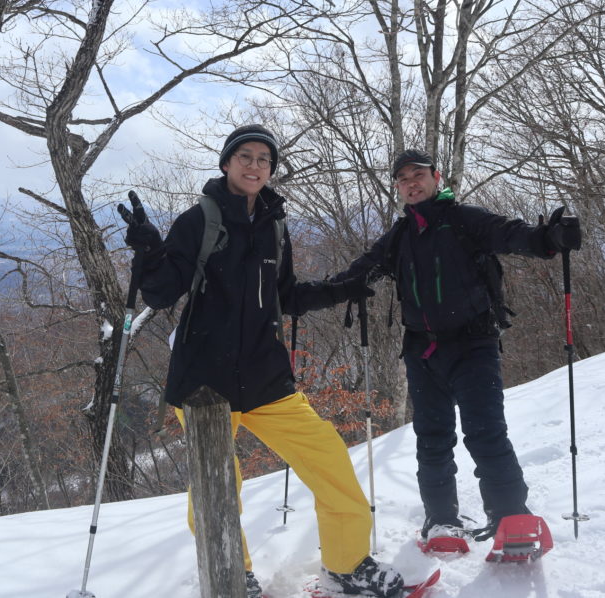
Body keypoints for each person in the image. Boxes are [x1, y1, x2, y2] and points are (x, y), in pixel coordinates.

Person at [119, 125, 405, 598]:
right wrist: (150, 251)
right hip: (203, 384)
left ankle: (348, 565)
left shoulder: (276, 225)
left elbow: (285, 295)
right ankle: (234, 574)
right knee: (216, 488)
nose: (254, 166)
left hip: (266, 377)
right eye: (245, 157)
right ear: (226, 163)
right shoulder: (198, 220)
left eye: (264, 160)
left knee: (330, 460)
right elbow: (162, 292)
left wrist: (341, 288)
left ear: (271, 170)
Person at [329, 149, 581, 546]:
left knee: (486, 433)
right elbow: (358, 273)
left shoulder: (466, 220)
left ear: (436, 177)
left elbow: (514, 235)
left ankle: (510, 517)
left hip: (473, 345)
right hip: (421, 352)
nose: (411, 183)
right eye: (403, 179)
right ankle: (441, 520)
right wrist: (307, 295)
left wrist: (550, 238)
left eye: (418, 175)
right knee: (431, 438)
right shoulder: (399, 236)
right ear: (397, 187)